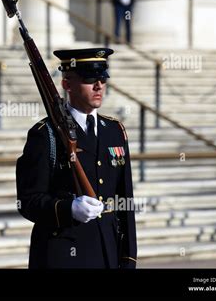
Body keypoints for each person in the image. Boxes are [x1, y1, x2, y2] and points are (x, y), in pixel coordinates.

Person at [16, 48, 137, 268]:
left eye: (102, 78)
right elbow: (28, 201)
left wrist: (128, 258)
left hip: (107, 252)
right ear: (66, 84)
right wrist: (68, 208)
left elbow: (125, 201)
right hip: (63, 256)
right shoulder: (46, 134)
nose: (99, 85)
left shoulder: (115, 131)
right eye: (89, 79)